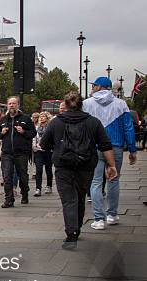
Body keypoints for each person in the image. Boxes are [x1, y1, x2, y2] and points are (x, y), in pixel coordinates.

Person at [40, 91, 117, 249]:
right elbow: (105, 145)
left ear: (65, 104)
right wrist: (112, 165)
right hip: (86, 165)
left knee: (68, 199)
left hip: (63, 166)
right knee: (80, 196)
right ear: (82, 104)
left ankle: (71, 234)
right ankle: (78, 227)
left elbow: (44, 144)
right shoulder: (93, 122)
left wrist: (57, 147)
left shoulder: (55, 122)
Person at [83, 77, 137, 230]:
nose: (92, 87)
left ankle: (99, 219)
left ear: (101, 87)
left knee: (96, 182)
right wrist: (132, 150)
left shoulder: (87, 104)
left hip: (95, 147)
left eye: (94, 85)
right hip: (116, 146)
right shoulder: (121, 104)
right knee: (114, 180)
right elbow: (128, 128)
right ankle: (112, 215)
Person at [0, 96, 36, 208]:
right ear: (7, 105)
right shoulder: (3, 120)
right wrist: (2, 133)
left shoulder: (26, 118)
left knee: (23, 175)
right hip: (7, 153)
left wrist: (23, 131)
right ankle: (9, 199)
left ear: (18, 105)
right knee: (7, 176)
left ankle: (25, 193)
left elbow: (33, 133)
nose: (12, 105)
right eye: (10, 103)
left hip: (21, 152)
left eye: (14, 103)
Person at [32, 112, 53, 196]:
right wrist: (34, 147)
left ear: (47, 118)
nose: (41, 118)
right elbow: (34, 138)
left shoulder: (50, 127)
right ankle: (38, 188)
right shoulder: (36, 127)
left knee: (48, 169)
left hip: (48, 151)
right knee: (39, 170)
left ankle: (49, 186)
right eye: (40, 116)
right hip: (38, 151)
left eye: (43, 116)